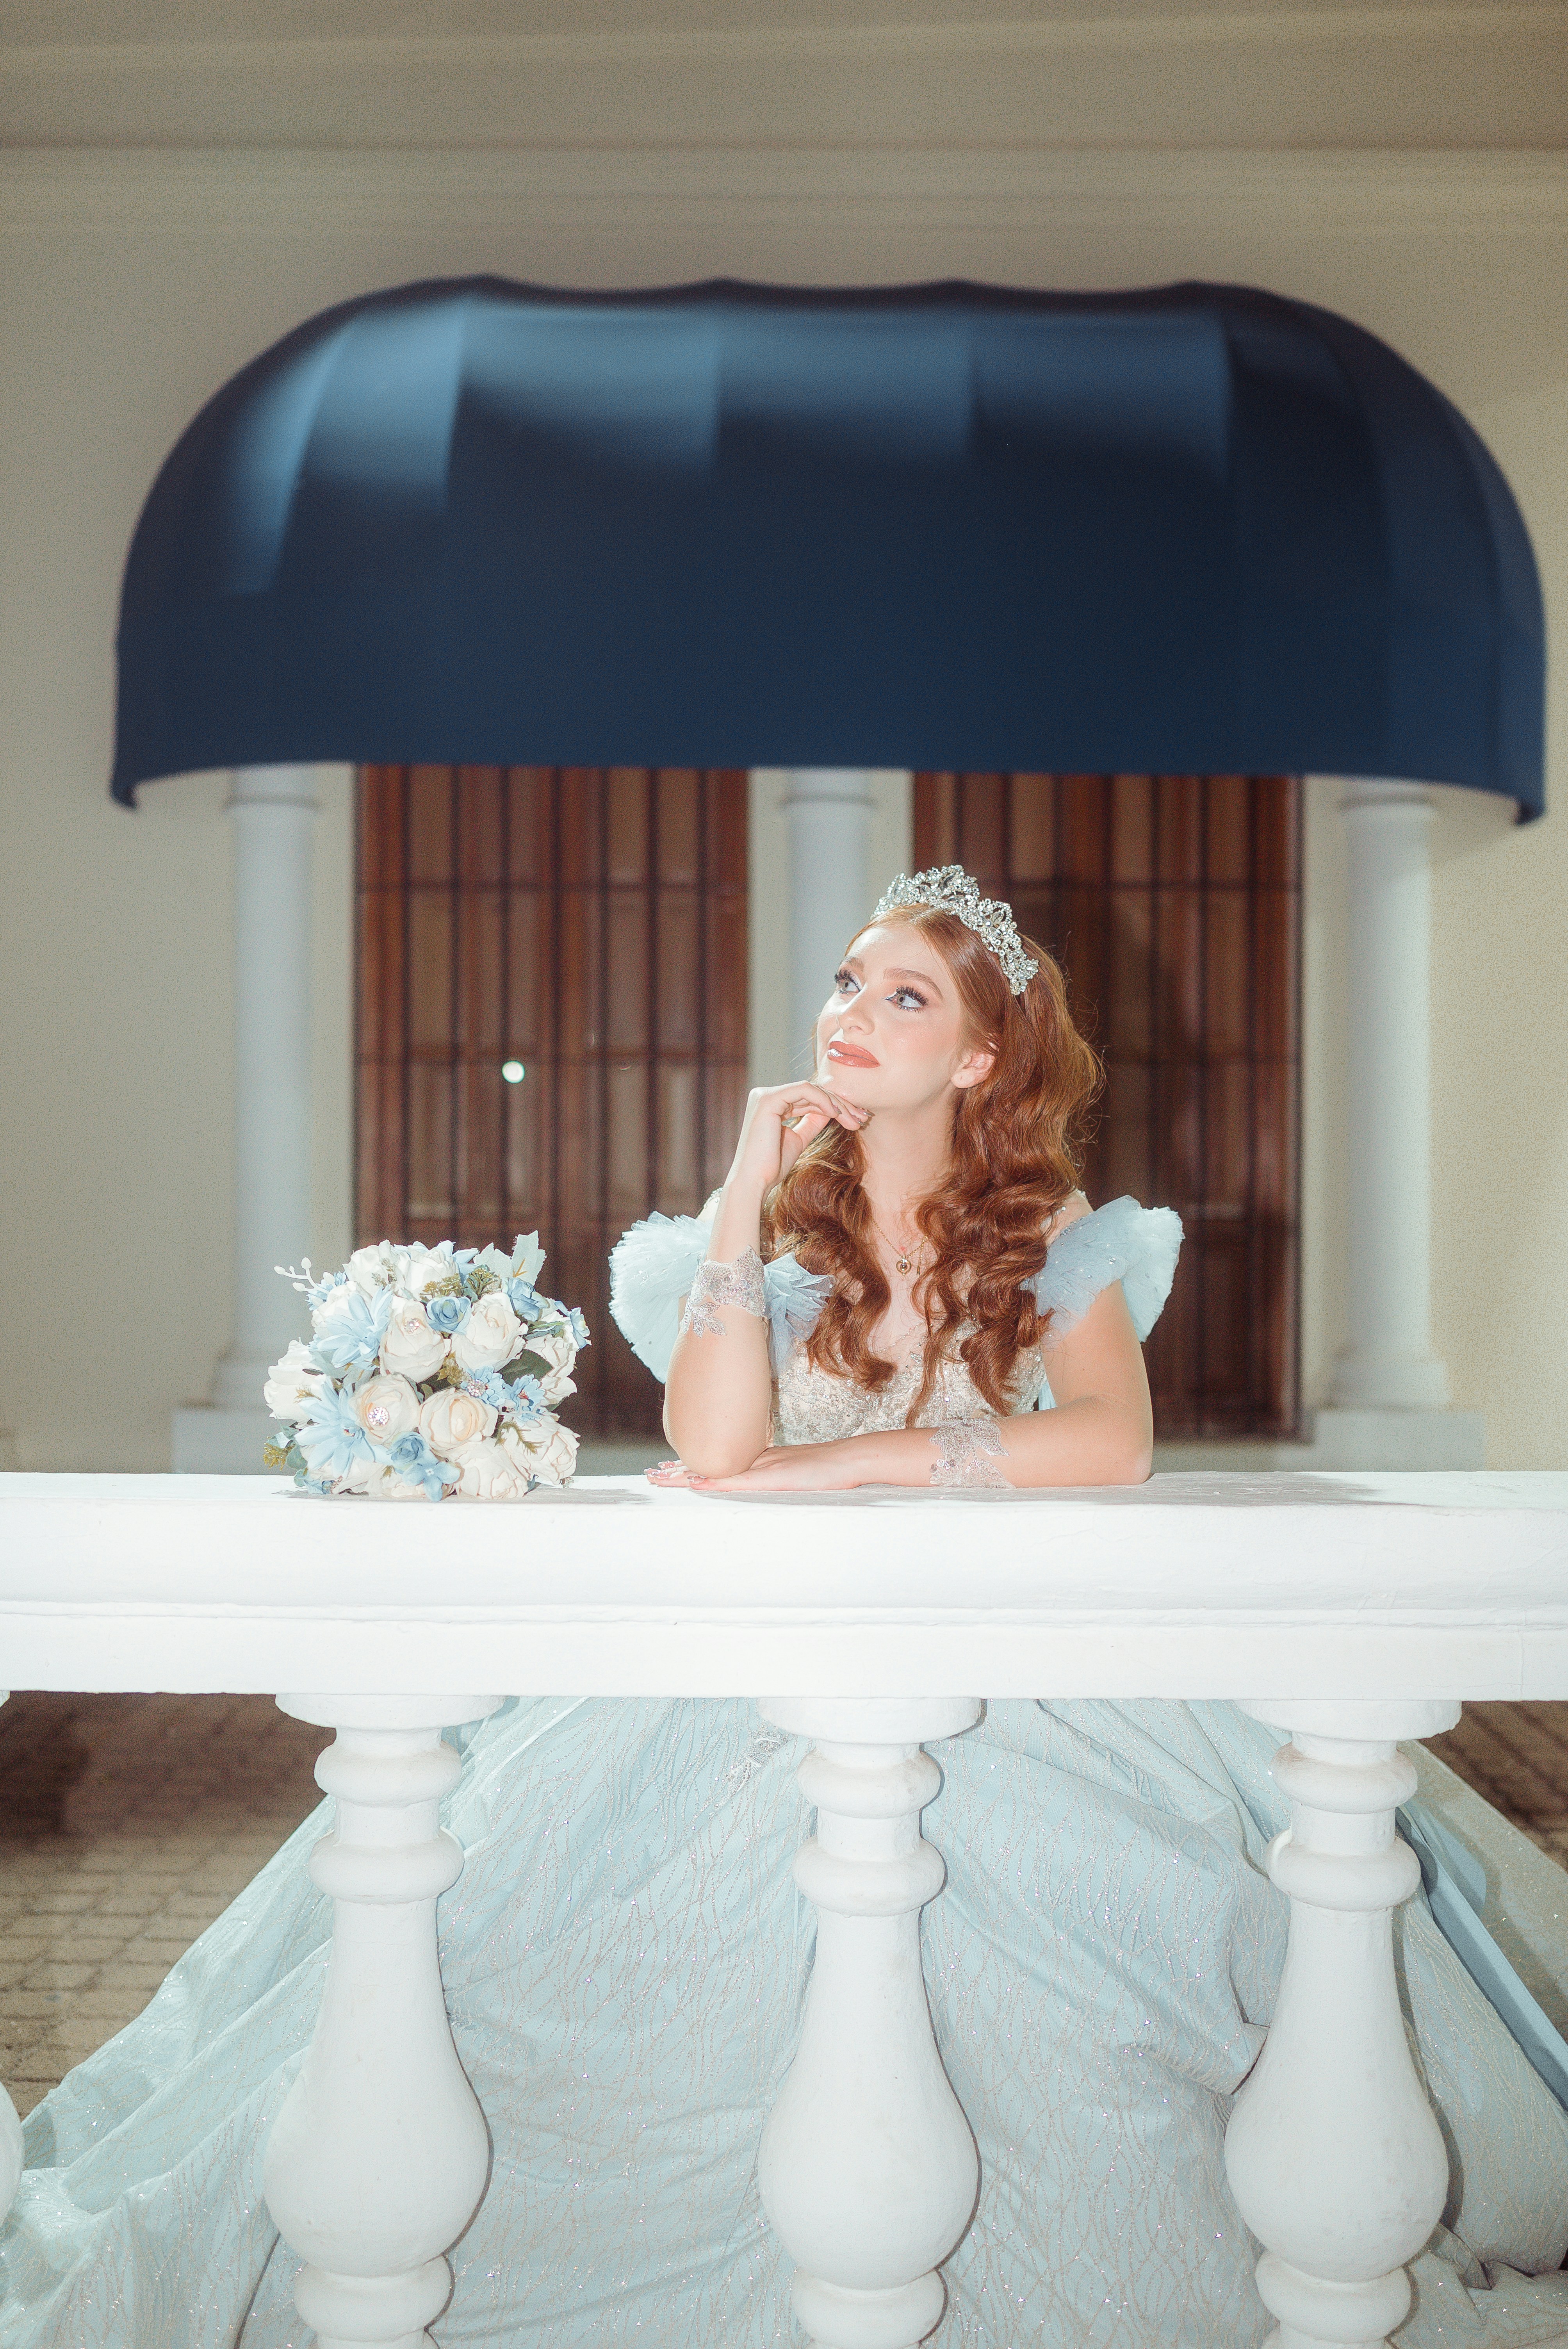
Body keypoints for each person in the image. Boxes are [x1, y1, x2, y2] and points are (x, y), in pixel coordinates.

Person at [4, 867, 1568, 2348]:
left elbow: (1106, 1439)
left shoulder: (1050, 1232)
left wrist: (863, 1467)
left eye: (900, 996)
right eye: (845, 982)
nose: (849, 1011)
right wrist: (745, 1196)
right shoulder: (780, 1232)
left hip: (1004, 1676)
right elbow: (712, 1446)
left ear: (973, 1059)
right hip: (759, 1670)